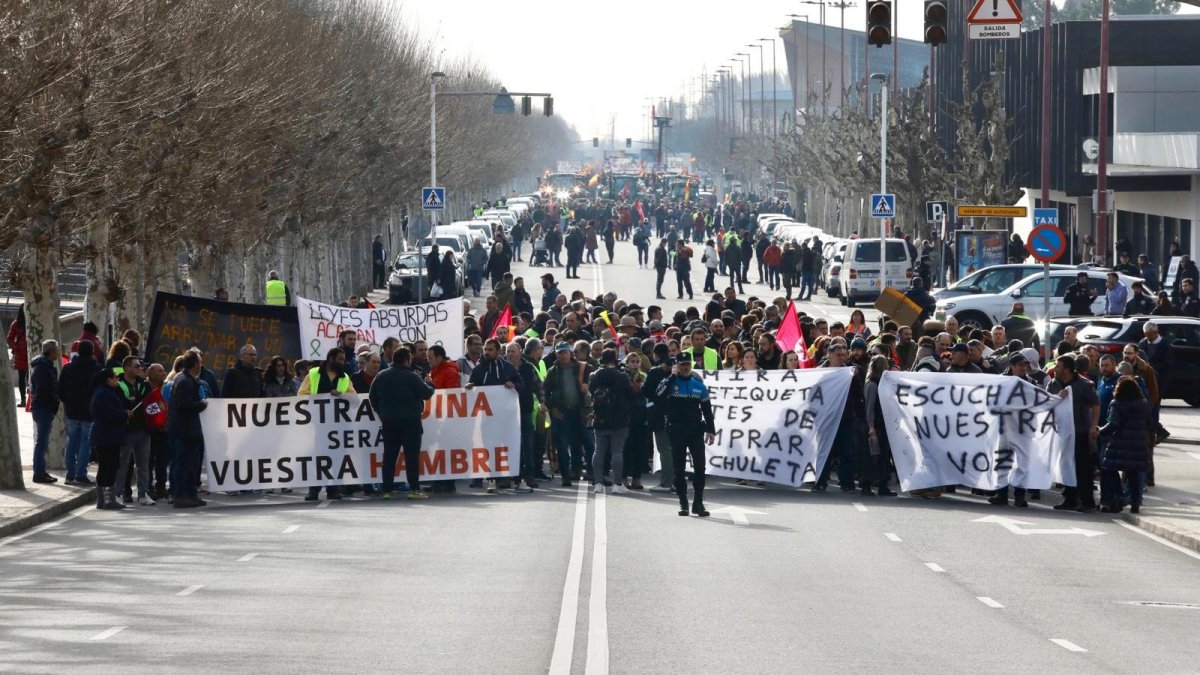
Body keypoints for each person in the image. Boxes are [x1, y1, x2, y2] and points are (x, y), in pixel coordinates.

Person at [369, 347, 435, 500]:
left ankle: (387, 490)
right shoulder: (412, 376)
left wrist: (381, 413)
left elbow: (372, 397)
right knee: (411, 457)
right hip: (411, 421)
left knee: (389, 456)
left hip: (389, 421)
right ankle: (414, 489)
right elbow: (426, 394)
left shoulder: (381, 375)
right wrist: (431, 384)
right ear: (407, 359)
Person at [656, 357, 716, 517]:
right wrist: (671, 377)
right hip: (676, 431)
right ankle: (683, 502)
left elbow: (707, 410)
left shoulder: (699, 384)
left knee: (700, 467)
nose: (685, 367)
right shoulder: (670, 382)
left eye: (687, 364)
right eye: (682, 365)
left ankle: (698, 503)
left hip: (695, 430)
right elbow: (658, 395)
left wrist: (711, 430)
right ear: (677, 366)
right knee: (679, 468)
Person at [300, 348, 355, 501]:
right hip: (319, 425)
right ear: (330, 358)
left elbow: (355, 399)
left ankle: (334, 489)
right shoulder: (313, 374)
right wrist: (317, 399)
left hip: (339, 426)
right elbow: (301, 396)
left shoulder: (345, 378)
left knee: (337, 458)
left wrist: (341, 395)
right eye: (340, 359)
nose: (342, 363)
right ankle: (314, 490)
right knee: (319, 458)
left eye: (343, 360)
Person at [1047, 354, 1100, 512]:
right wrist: (1057, 397)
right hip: (1061, 432)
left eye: (1057, 366)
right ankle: (1069, 498)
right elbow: (1047, 402)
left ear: (1067, 370)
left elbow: (1095, 404)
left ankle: (1087, 501)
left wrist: (1094, 425)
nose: (1054, 369)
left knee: (1082, 467)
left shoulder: (1084, 385)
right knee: (1065, 465)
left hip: (1080, 432)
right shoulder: (1053, 384)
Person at [1098, 377, 1152, 514]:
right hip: (1138, 444)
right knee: (1134, 474)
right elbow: (1149, 423)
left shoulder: (1117, 403)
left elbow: (1113, 424)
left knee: (1109, 468)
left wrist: (1100, 431)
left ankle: (1119, 494)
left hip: (1119, 444)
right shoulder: (1143, 403)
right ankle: (1135, 502)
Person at [588, 349, 634, 494]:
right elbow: (631, 395)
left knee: (598, 451)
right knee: (617, 452)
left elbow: (591, 391)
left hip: (600, 418)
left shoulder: (595, 375)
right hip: (619, 419)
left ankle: (598, 483)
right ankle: (617, 484)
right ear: (615, 360)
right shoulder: (622, 376)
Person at [167, 352, 208, 508]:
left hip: (187, 429)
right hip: (184, 429)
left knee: (191, 464)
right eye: (200, 362)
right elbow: (184, 404)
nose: (201, 365)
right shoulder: (185, 381)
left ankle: (191, 494)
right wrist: (202, 404)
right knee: (183, 464)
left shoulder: (185, 379)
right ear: (195, 364)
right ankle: (181, 495)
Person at [59, 340, 102, 485]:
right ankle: (81, 473)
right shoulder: (96, 369)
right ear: (92, 352)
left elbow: (61, 390)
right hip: (89, 411)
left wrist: (68, 402)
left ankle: (69, 474)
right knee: (85, 442)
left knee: (71, 441)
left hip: (71, 410)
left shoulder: (68, 368)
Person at [545, 342, 588, 487]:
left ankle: (578, 470)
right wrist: (552, 408)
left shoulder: (581, 367)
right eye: (559, 353)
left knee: (580, 442)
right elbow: (544, 392)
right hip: (561, 413)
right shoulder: (553, 371)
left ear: (570, 353)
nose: (562, 355)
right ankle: (565, 475)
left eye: (565, 352)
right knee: (562, 446)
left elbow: (593, 382)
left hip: (578, 411)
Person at [90, 369, 131, 510]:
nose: (117, 380)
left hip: (103, 434)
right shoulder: (105, 394)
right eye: (114, 378)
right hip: (107, 434)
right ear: (108, 379)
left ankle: (102, 499)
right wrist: (125, 414)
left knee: (105, 466)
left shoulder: (102, 392)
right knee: (110, 466)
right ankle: (108, 499)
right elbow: (110, 413)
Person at [863, 355, 898, 497]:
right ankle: (866, 485)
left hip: (884, 424)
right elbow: (869, 406)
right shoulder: (872, 384)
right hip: (876, 425)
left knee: (883, 456)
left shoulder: (882, 384)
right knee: (872, 456)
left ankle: (883, 486)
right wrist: (871, 426)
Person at [29, 340, 61, 484]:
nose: (58, 353)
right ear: (50, 351)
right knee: (41, 442)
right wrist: (53, 403)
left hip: (44, 407)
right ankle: (39, 473)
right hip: (43, 408)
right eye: (56, 350)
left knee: (42, 441)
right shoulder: (43, 368)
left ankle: (41, 471)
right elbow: (43, 390)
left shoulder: (45, 366)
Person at [6, 306, 27, 407]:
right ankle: (25, 399)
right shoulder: (19, 323)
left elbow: (9, 339)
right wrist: (17, 347)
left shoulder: (16, 323)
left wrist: (16, 347)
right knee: (24, 378)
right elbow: (9, 338)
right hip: (23, 354)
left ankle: (24, 400)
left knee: (23, 378)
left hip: (21, 355)